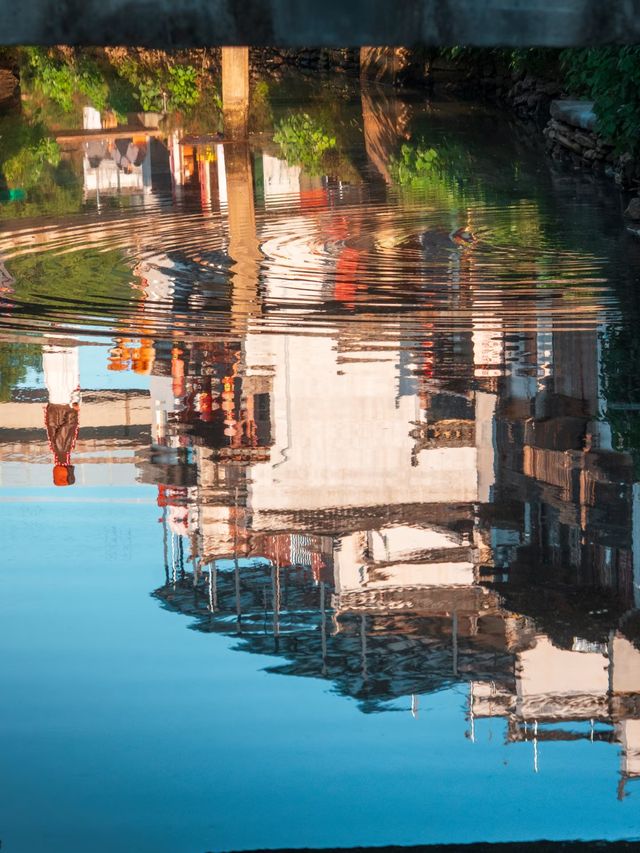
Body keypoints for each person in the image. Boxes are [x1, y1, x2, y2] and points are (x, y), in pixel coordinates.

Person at [43, 345, 81, 487]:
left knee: (65, 368)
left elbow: (68, 427)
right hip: (54, 404)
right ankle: (53, 346)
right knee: (53, 369)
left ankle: (60, 342)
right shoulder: (57, 451)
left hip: (63, 402)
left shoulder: (62, 451)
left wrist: (74, 410)